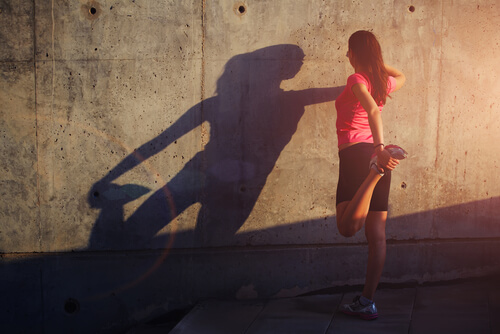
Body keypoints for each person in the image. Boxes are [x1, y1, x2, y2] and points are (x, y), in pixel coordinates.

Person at [335, 30, 407, 320]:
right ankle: (367, 301)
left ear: (354, 53)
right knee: (377, 237)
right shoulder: (380, 82)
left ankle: (375, 171)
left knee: (346, 228)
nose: (346, 55)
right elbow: (402, 76)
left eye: (349, 50)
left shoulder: (356, 80)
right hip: (380, 158)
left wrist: (378, 150)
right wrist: (377, 63)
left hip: (358, 156)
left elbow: (373, 113)